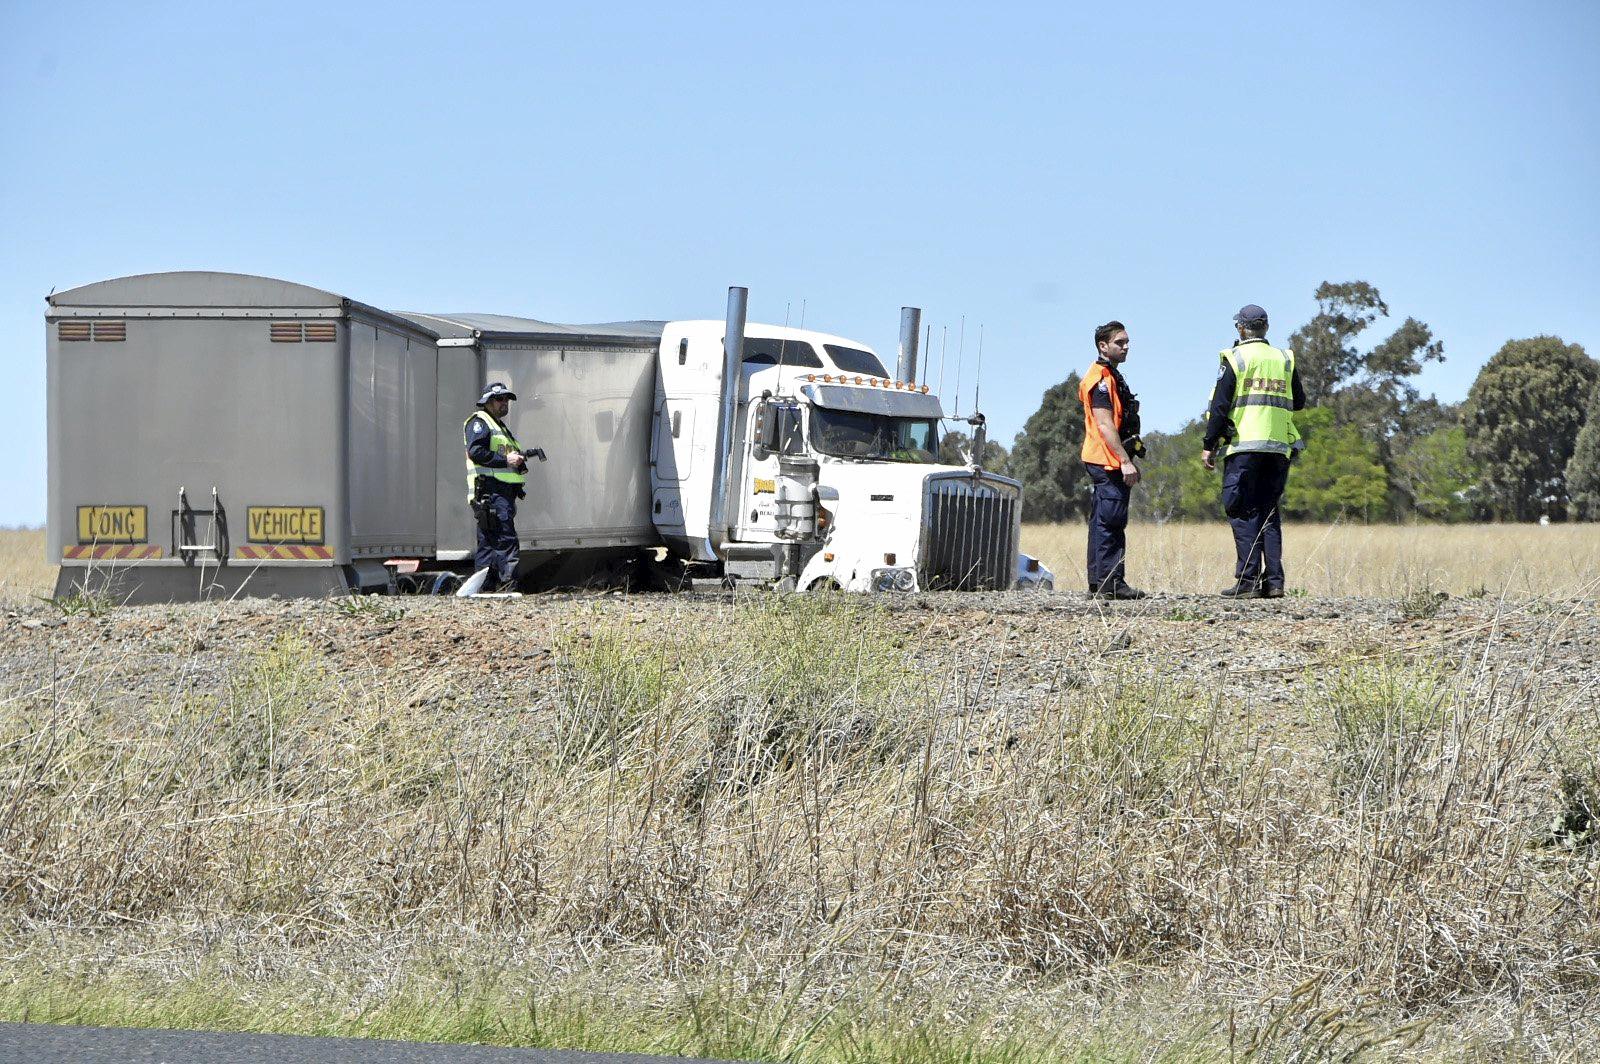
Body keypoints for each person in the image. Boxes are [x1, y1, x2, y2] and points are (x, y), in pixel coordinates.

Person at [1200, 305, 1306, 598]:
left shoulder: (1235, 358)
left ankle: (1246, 581)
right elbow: (1298, 401)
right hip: (1278, 448)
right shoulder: (1285, 358)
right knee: (1268, 512)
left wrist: (1209, 445)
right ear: (1266, 328)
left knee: (1242, 510)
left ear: (1241, 329)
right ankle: (1274, 582)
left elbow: (1220, 407)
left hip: (1245, 447)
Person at [1078, 320, 1147, 599]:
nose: (1126, 346)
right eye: (1120, 342)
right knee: (1111, 521)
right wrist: (1125, 461)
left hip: (1105, 457)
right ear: (1103, 346)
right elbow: (1105, 425)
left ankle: (1099, 582)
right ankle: (1112, 583)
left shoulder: (1110, 374)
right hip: (1106, 459)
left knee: (1101, 520)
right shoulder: (1101, 379)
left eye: (1127, 341)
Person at [465, 382, 532, 591]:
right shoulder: (480, 422)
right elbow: (476, 452)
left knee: (488, 543)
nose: (505, 403)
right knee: (505, 539)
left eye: (507, 399)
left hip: (499, 493)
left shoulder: (499, 426)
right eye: (500, 399)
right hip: (491, 491)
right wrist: (507, 461)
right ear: (488, 401)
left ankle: (484, 590)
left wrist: (518, 461)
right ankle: (509, 588)